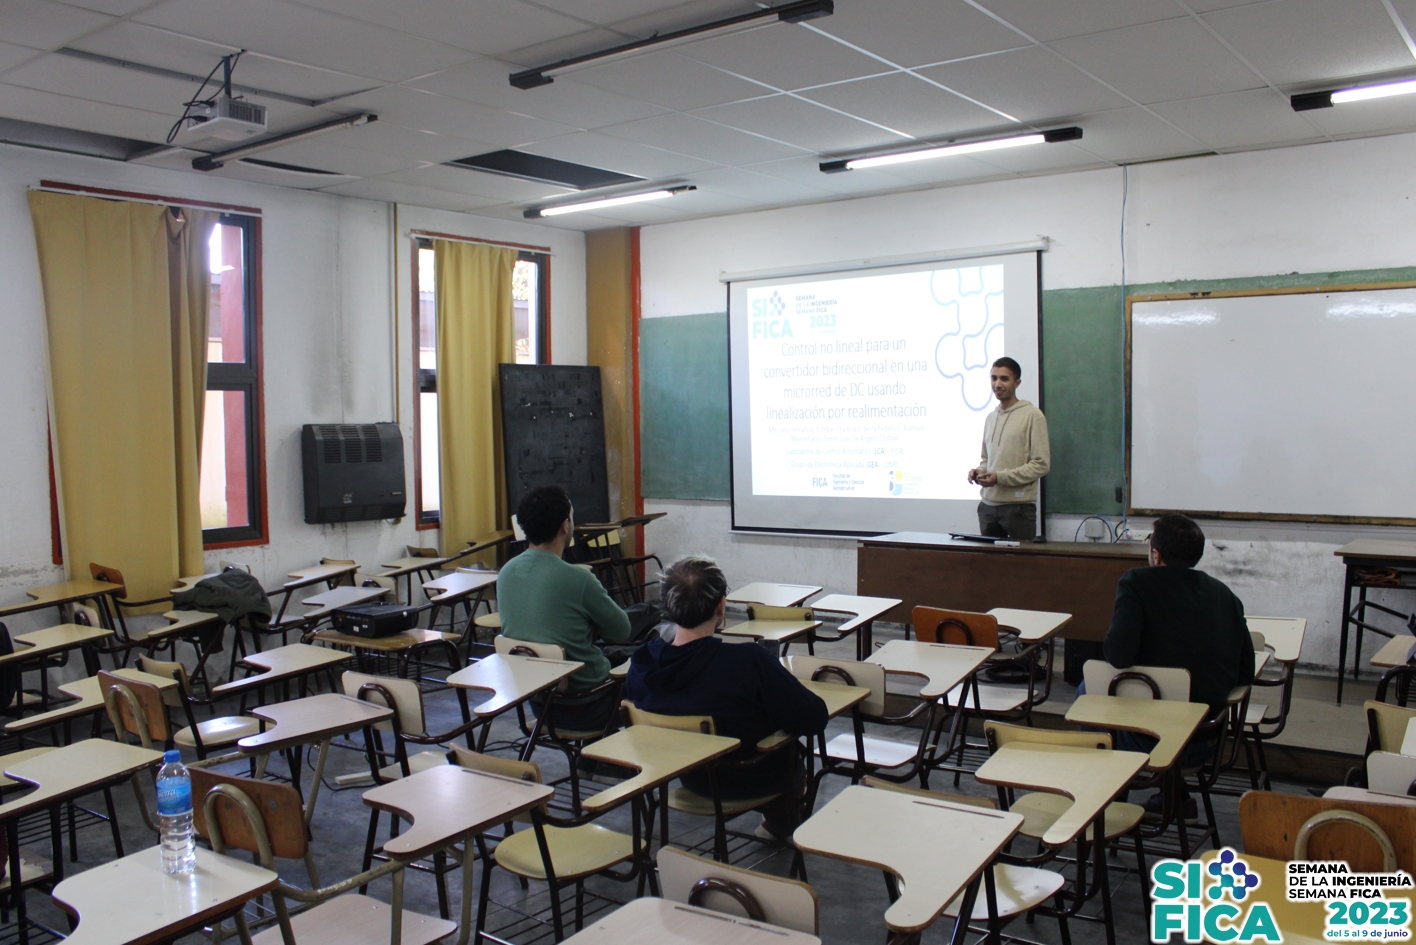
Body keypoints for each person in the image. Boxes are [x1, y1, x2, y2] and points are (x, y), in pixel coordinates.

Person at [626, 556, 828, 840]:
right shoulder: (747, 661)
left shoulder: (642, 663)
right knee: (784, 742)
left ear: (668, 606)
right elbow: (813, 718)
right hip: (750, 778)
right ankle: (780, 825)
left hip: (686, 775)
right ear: (721, 605)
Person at [497, 484, 632, 733]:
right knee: (647, 671)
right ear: (564, 525)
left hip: (540, 704)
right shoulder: (578, 579)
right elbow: (622, 630)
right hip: (591, 704)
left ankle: (593, 753)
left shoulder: (506, 573)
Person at [1103, 512, 1254, 721]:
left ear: (1156, 555)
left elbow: (1118, 656)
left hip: (1150, 718)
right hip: (1207, 724)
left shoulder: (1136, 582)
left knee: (1086, 688)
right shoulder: (1225, 594)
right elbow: (1246, 671)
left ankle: (1111, 743)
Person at [967, 357, 1050, 540]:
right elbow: (987, 459)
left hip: (1018, 507)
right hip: (987, 507)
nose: (997, 384)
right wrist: (979, 471)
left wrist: (1000, 477)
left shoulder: (1032, 416)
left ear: (1017, 383)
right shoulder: (990, 418)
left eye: (1004, 379)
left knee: (1021, 559)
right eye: (994, 378)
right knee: (990, 559)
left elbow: (1041, 464)